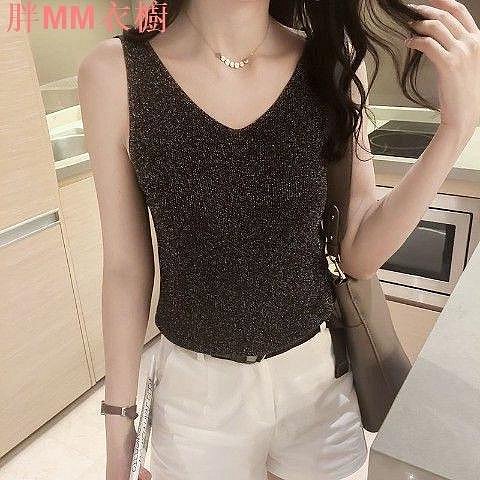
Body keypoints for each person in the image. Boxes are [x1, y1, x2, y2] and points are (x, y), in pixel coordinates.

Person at [78, 1, 480, 479]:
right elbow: (126, 268)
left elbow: (358, 251)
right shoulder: (115, 73)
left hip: (317, 386)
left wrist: (455, 130)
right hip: (197, 397)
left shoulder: (330, 62)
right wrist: (119, 430)